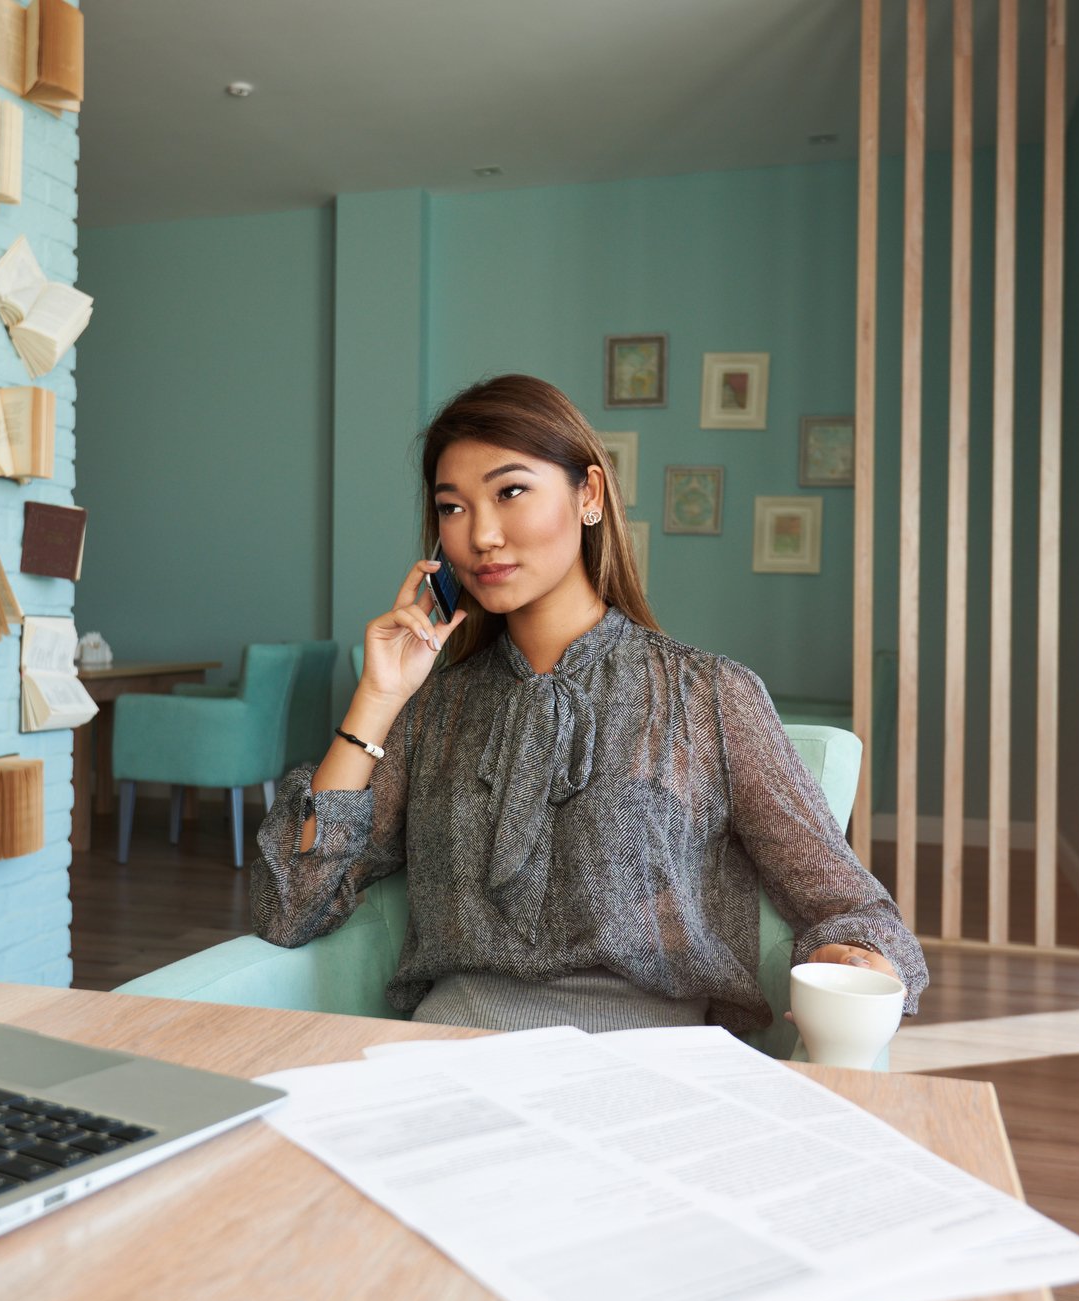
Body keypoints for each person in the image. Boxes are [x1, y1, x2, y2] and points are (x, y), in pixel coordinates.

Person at [250, 374, 926, 1035]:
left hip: (643, 1076)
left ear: (589, 494)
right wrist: (378, 697)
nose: (481, 534)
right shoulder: (433, 709)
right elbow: (290, 904)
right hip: (447, 1059)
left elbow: (854, 907)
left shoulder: (709, 696)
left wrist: (853, 955)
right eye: (453, 507)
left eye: (510, 491)